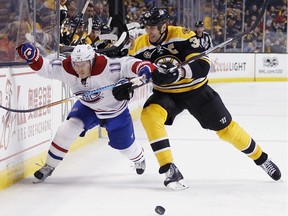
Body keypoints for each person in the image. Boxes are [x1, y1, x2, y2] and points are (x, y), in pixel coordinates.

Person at [112, 7, 281, 190]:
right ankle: (169, 167)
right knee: (149, 115)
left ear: (164, 25)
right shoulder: (140, 44)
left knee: (227, 130)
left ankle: (262, 158)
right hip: (166, 94)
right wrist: (126, 84)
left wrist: (179, 73)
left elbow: (202, 65)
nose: (149, 31)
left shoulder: (182, 35)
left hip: (196, 90)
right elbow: (130, 69)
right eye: (147, 27)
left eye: (154, 27)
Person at [16, 43, 157, 183]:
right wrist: (33, 58)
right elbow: (47, 68)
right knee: (66, 130)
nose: (79, 69)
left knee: (126, 148)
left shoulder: (108, 67)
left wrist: (145, 69)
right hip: (88, 107)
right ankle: (49, 166)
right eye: (76, 65)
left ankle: (139, 158)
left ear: (92, 61)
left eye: (83, 65)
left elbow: (130, 64)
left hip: (114, 112)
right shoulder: (68, 68)